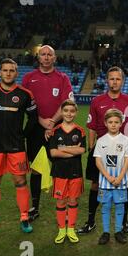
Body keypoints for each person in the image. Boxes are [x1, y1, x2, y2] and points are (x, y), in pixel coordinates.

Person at [0, 58, 37, 234]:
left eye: (12, 70)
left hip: (16, 147)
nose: (8, 73)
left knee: (20, 181)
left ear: (16, 73)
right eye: (5, 70)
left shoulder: (25, 94)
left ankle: (24, 218)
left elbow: (33, 117)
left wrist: (23, 135)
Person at [77, 66, 128, 235]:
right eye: (111, 78)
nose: (114, 82)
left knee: (123, 184)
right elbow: (91, 127)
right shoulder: (97, 101)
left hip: (122, 152)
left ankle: (124, 222)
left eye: (118, 79)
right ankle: (90, 221)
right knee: (96, 185)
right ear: (107, 81)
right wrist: (91, 148)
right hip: (100, 150)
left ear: (123, 81)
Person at [22, 45, 74, 222]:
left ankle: (64, 207)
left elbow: (66, 102)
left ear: (54, 58)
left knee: (61, 168)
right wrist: (40, 120)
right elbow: (24, 103)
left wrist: (51, 121)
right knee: (36, 169)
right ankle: (34, 207)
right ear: (38, 57)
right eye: (43, 54)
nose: (46, 57)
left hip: (58, 129)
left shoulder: (62, 78)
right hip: (35, 129)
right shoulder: (29, 78)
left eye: (49, 55)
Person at [48, 100, 86, 244]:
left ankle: (70, 228)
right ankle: (61, 229)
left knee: (73, 200)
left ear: (76, 113)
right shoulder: (55, 131)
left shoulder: (80, 131)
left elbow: (82, 150)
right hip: (59, 172)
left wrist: (62, 148)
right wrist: (72, 150)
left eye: (72, 111)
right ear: (62, 112)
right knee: (61, 200)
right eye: (66, 111)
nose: (69, 113)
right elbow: (53, 153)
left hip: (75, 172)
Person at [94, 109, 128, 245]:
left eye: (116, 122)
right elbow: (98, 161)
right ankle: (106, 232)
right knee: (105, 207)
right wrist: (108, 177)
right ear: (105, 123)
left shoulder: (126, 140)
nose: (113, 125)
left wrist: (120, 177)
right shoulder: (101, 141)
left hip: (120, 182)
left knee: (120, 206)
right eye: (110, 122)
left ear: (121, 123)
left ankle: (118, 231)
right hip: (105, 182)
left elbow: (127, 160)